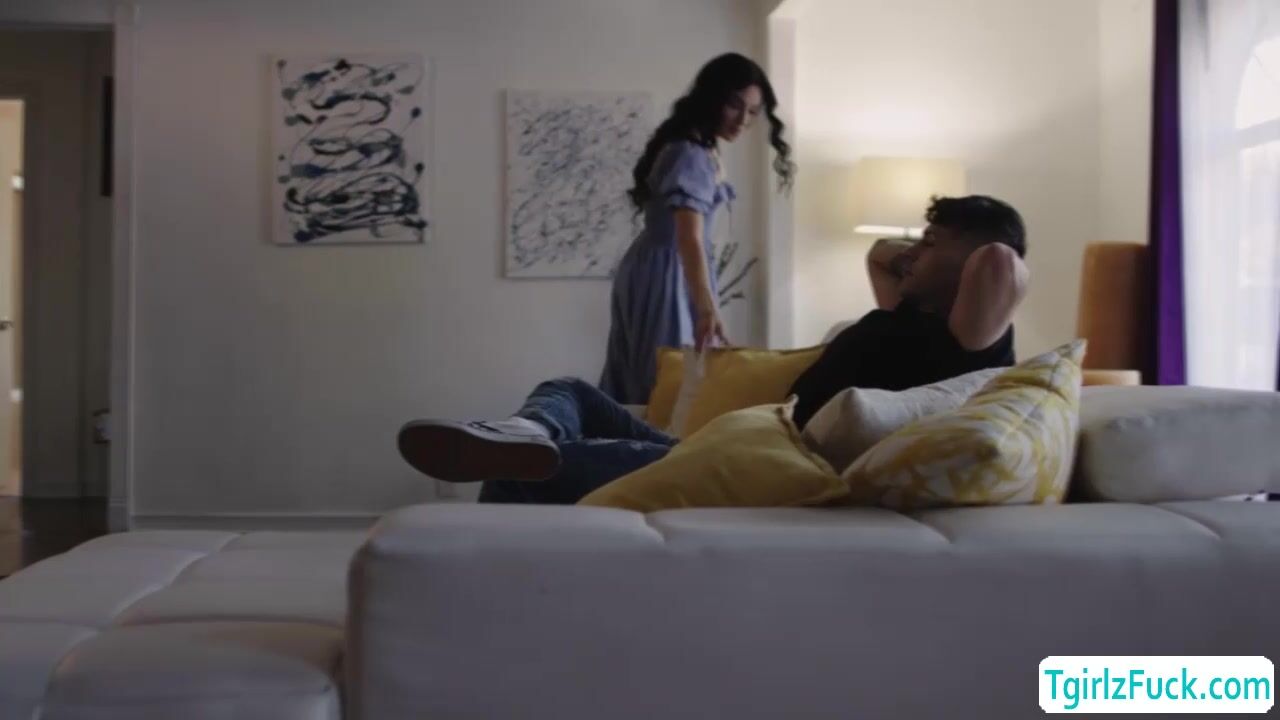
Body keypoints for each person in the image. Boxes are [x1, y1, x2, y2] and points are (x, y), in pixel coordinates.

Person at [398, 195, 1030, 505]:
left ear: (975, 258)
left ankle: (511, 502)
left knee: (525, 474)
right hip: (729, 446)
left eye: (931, 242)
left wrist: (970, 245)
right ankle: (524, 430)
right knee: (570, 391)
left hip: (763, 469)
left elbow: (1001, 259)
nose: (910, 253)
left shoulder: (970, 341)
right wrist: (930, 250)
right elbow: (879, 255)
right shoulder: (911, 316)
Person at [599, 53, 795, 405]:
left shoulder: (695, 147)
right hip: (668, 271)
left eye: (753, 111)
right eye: (735, 106)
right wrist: (707, 308)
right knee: (667, 380)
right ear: (712, 98)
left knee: (661, 377)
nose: (743, 120)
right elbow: (688, 237)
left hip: (663, 265)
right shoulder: (690, 153)